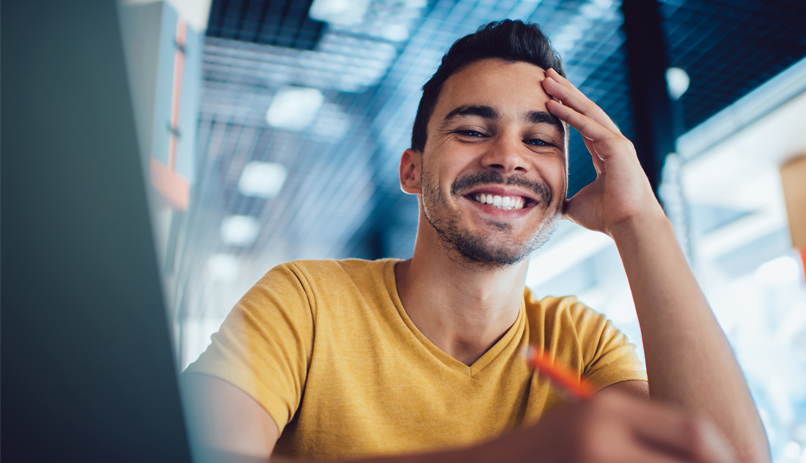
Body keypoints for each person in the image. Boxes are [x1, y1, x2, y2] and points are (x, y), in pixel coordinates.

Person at [182, 20, 769, 463]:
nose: (509, 156)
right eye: (471, 130)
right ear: (412, 171)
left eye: (540, 142)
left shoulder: (580, 343)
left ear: (565, 183)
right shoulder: (306, 304)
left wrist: (640, 221)